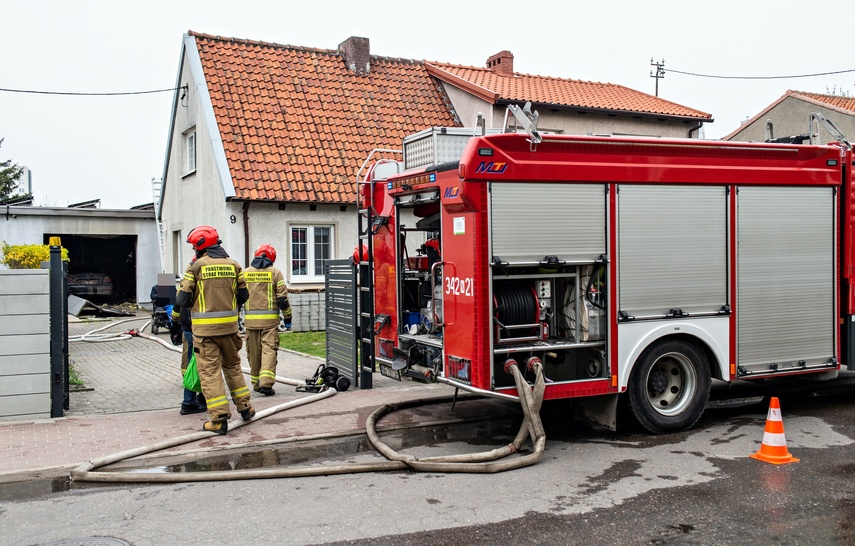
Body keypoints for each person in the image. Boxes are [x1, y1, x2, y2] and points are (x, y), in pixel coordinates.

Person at [177, 225, 255, 435]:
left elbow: (182, 299)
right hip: (230, 330)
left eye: (194, 246)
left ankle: (219, 418)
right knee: (233, 368)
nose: (193, 250)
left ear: (200, 246)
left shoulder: (196, 267)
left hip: (205, 334)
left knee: (210, 374)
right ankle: (245, 407)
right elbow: (244, 295)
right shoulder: (234, 265)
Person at [244, 243, 292, 396]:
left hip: (250, 322)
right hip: (270, 323)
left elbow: (238, 297)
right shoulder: (275, 273)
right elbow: (282, 299)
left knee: (254, 352)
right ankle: (266, 383)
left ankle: (256, 383)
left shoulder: (245, 273)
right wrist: (288, 317)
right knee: (269, 350)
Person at [171, 259, 207, 415]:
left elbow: (178, 305)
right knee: (205, 365)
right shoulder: (206, 283)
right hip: (201, 329)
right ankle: (195, 401)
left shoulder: (186, 281)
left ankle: (191, 401)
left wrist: (175, 325)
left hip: (187, 327)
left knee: (189, 364)